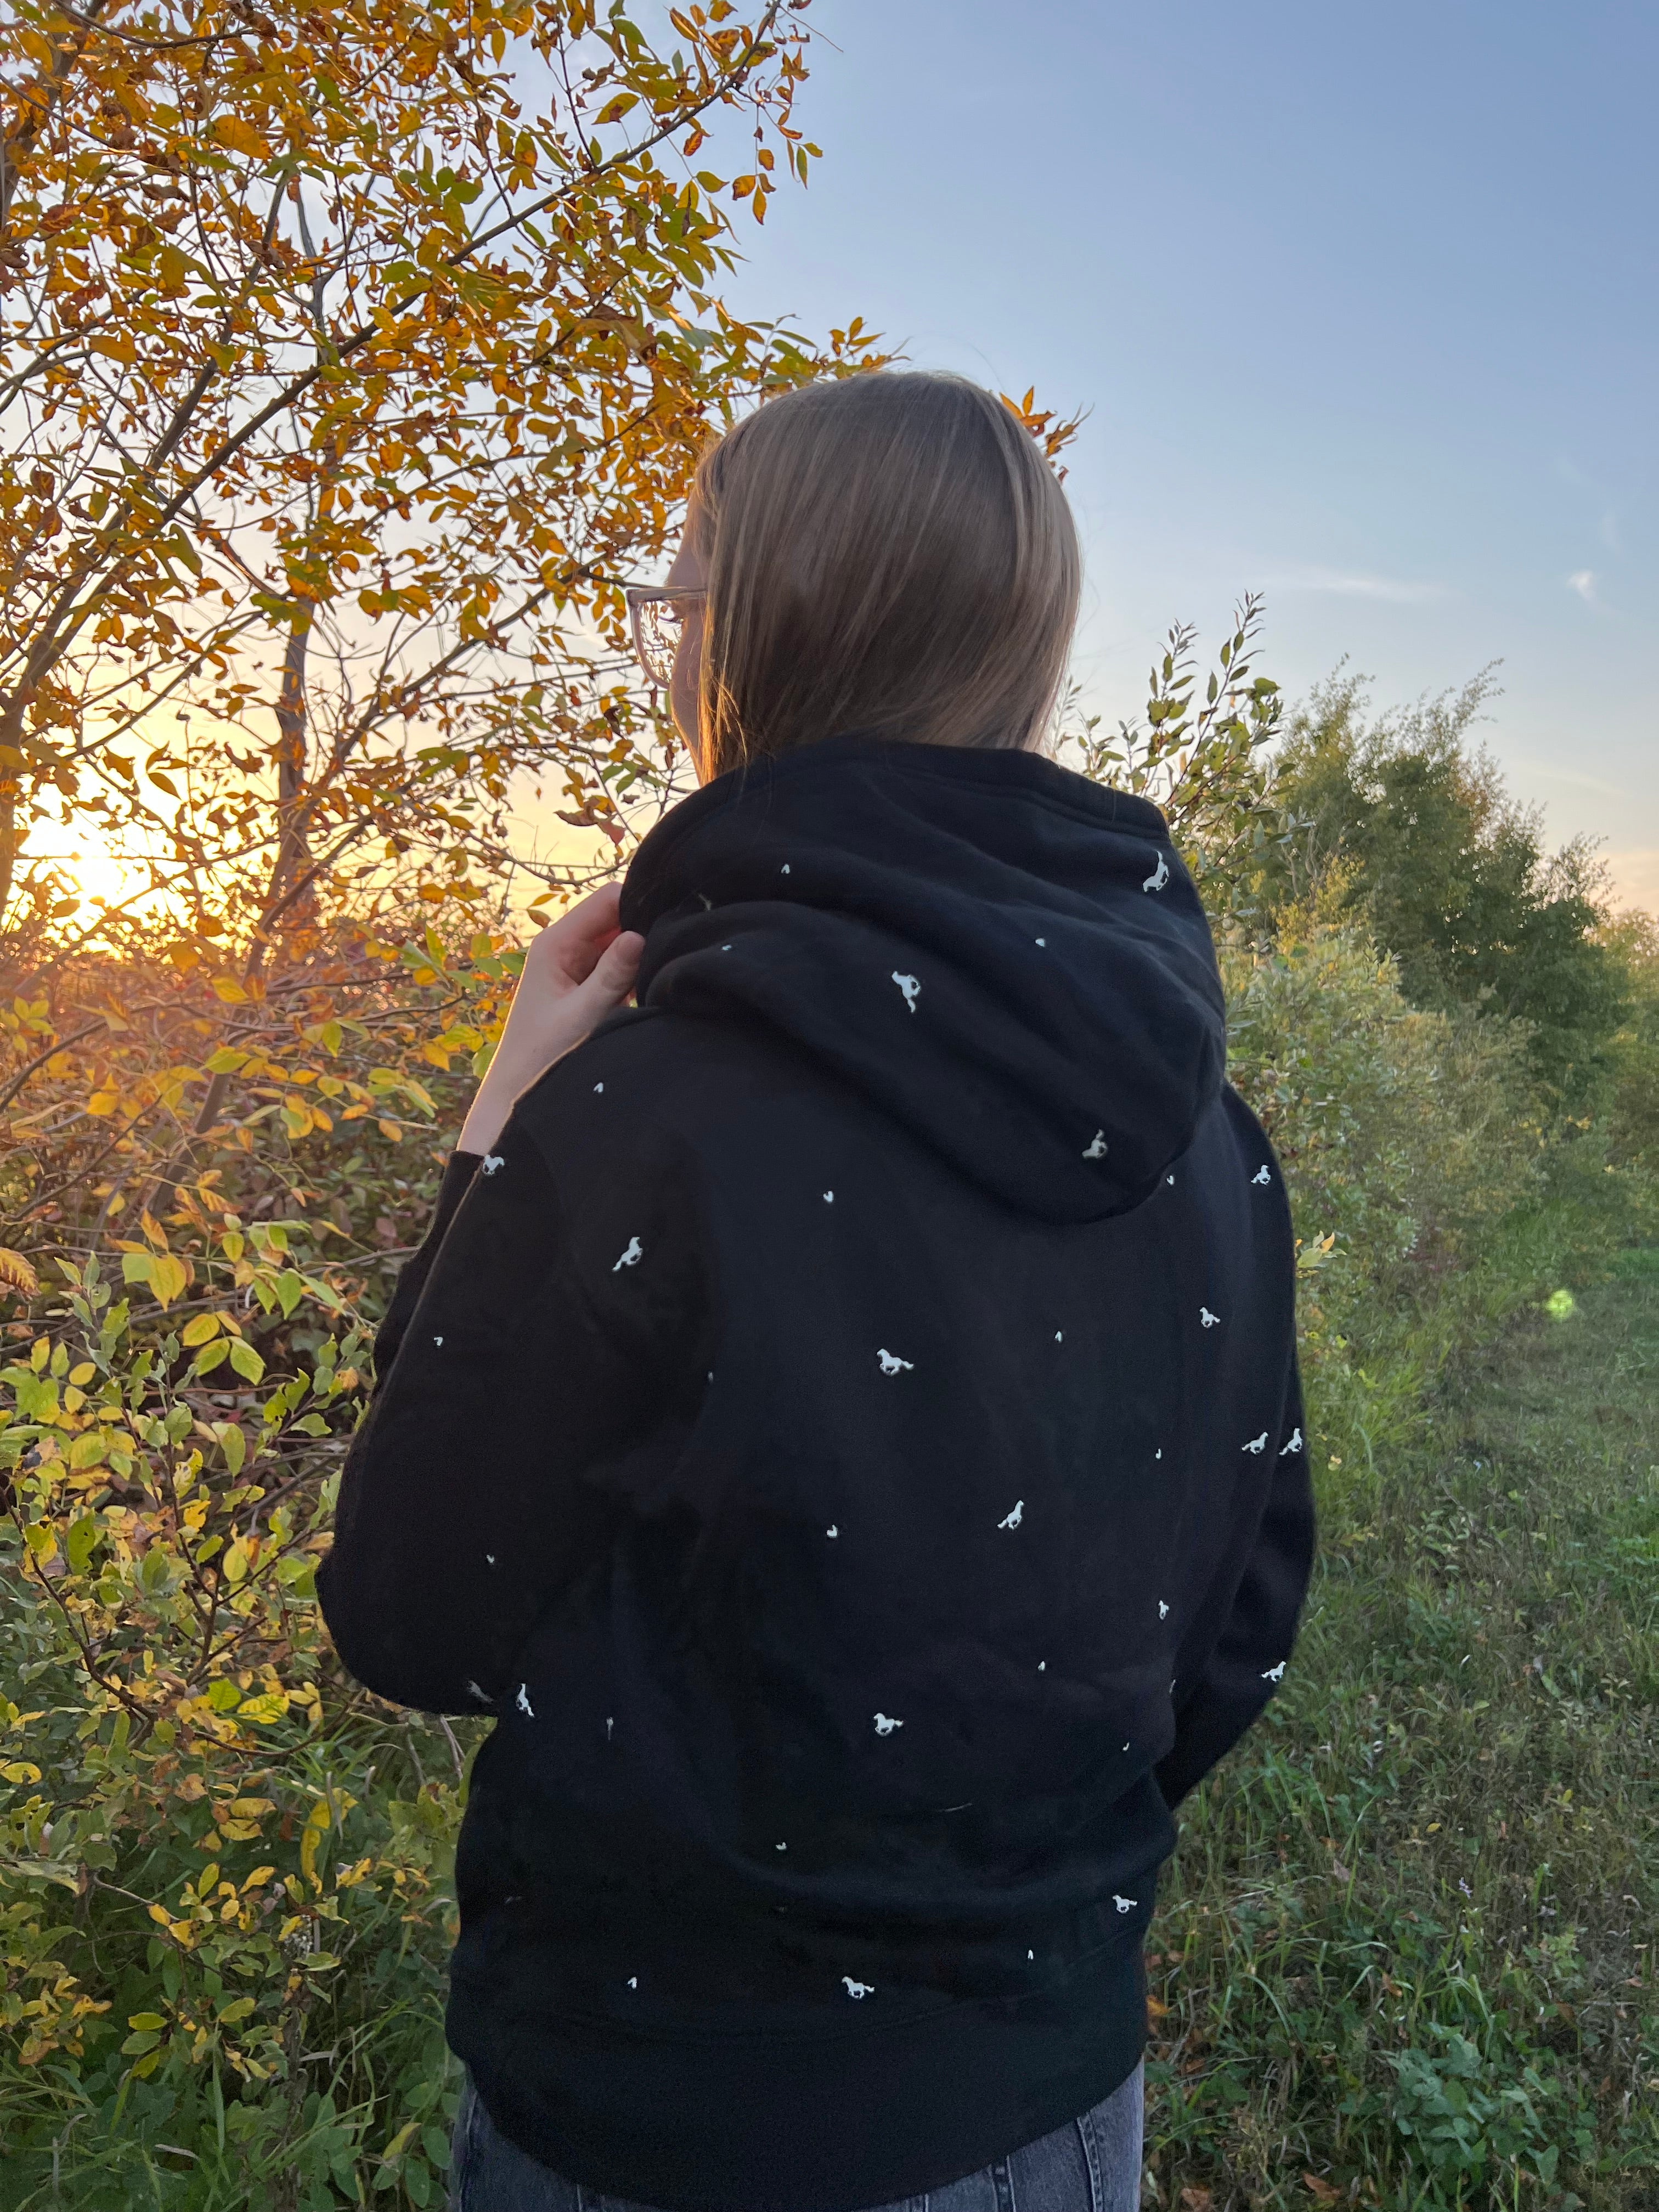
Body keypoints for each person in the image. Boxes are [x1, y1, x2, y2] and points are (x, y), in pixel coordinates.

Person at [319, 371, 1314, 2212]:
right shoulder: (1205, 1130)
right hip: (1052, 2106)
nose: (662, 643)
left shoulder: (641, 1119)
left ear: (759, 636)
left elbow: (409, 1613)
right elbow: (1237, 1622)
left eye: (679, 598)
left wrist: (499, 1129)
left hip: (665, 2123)